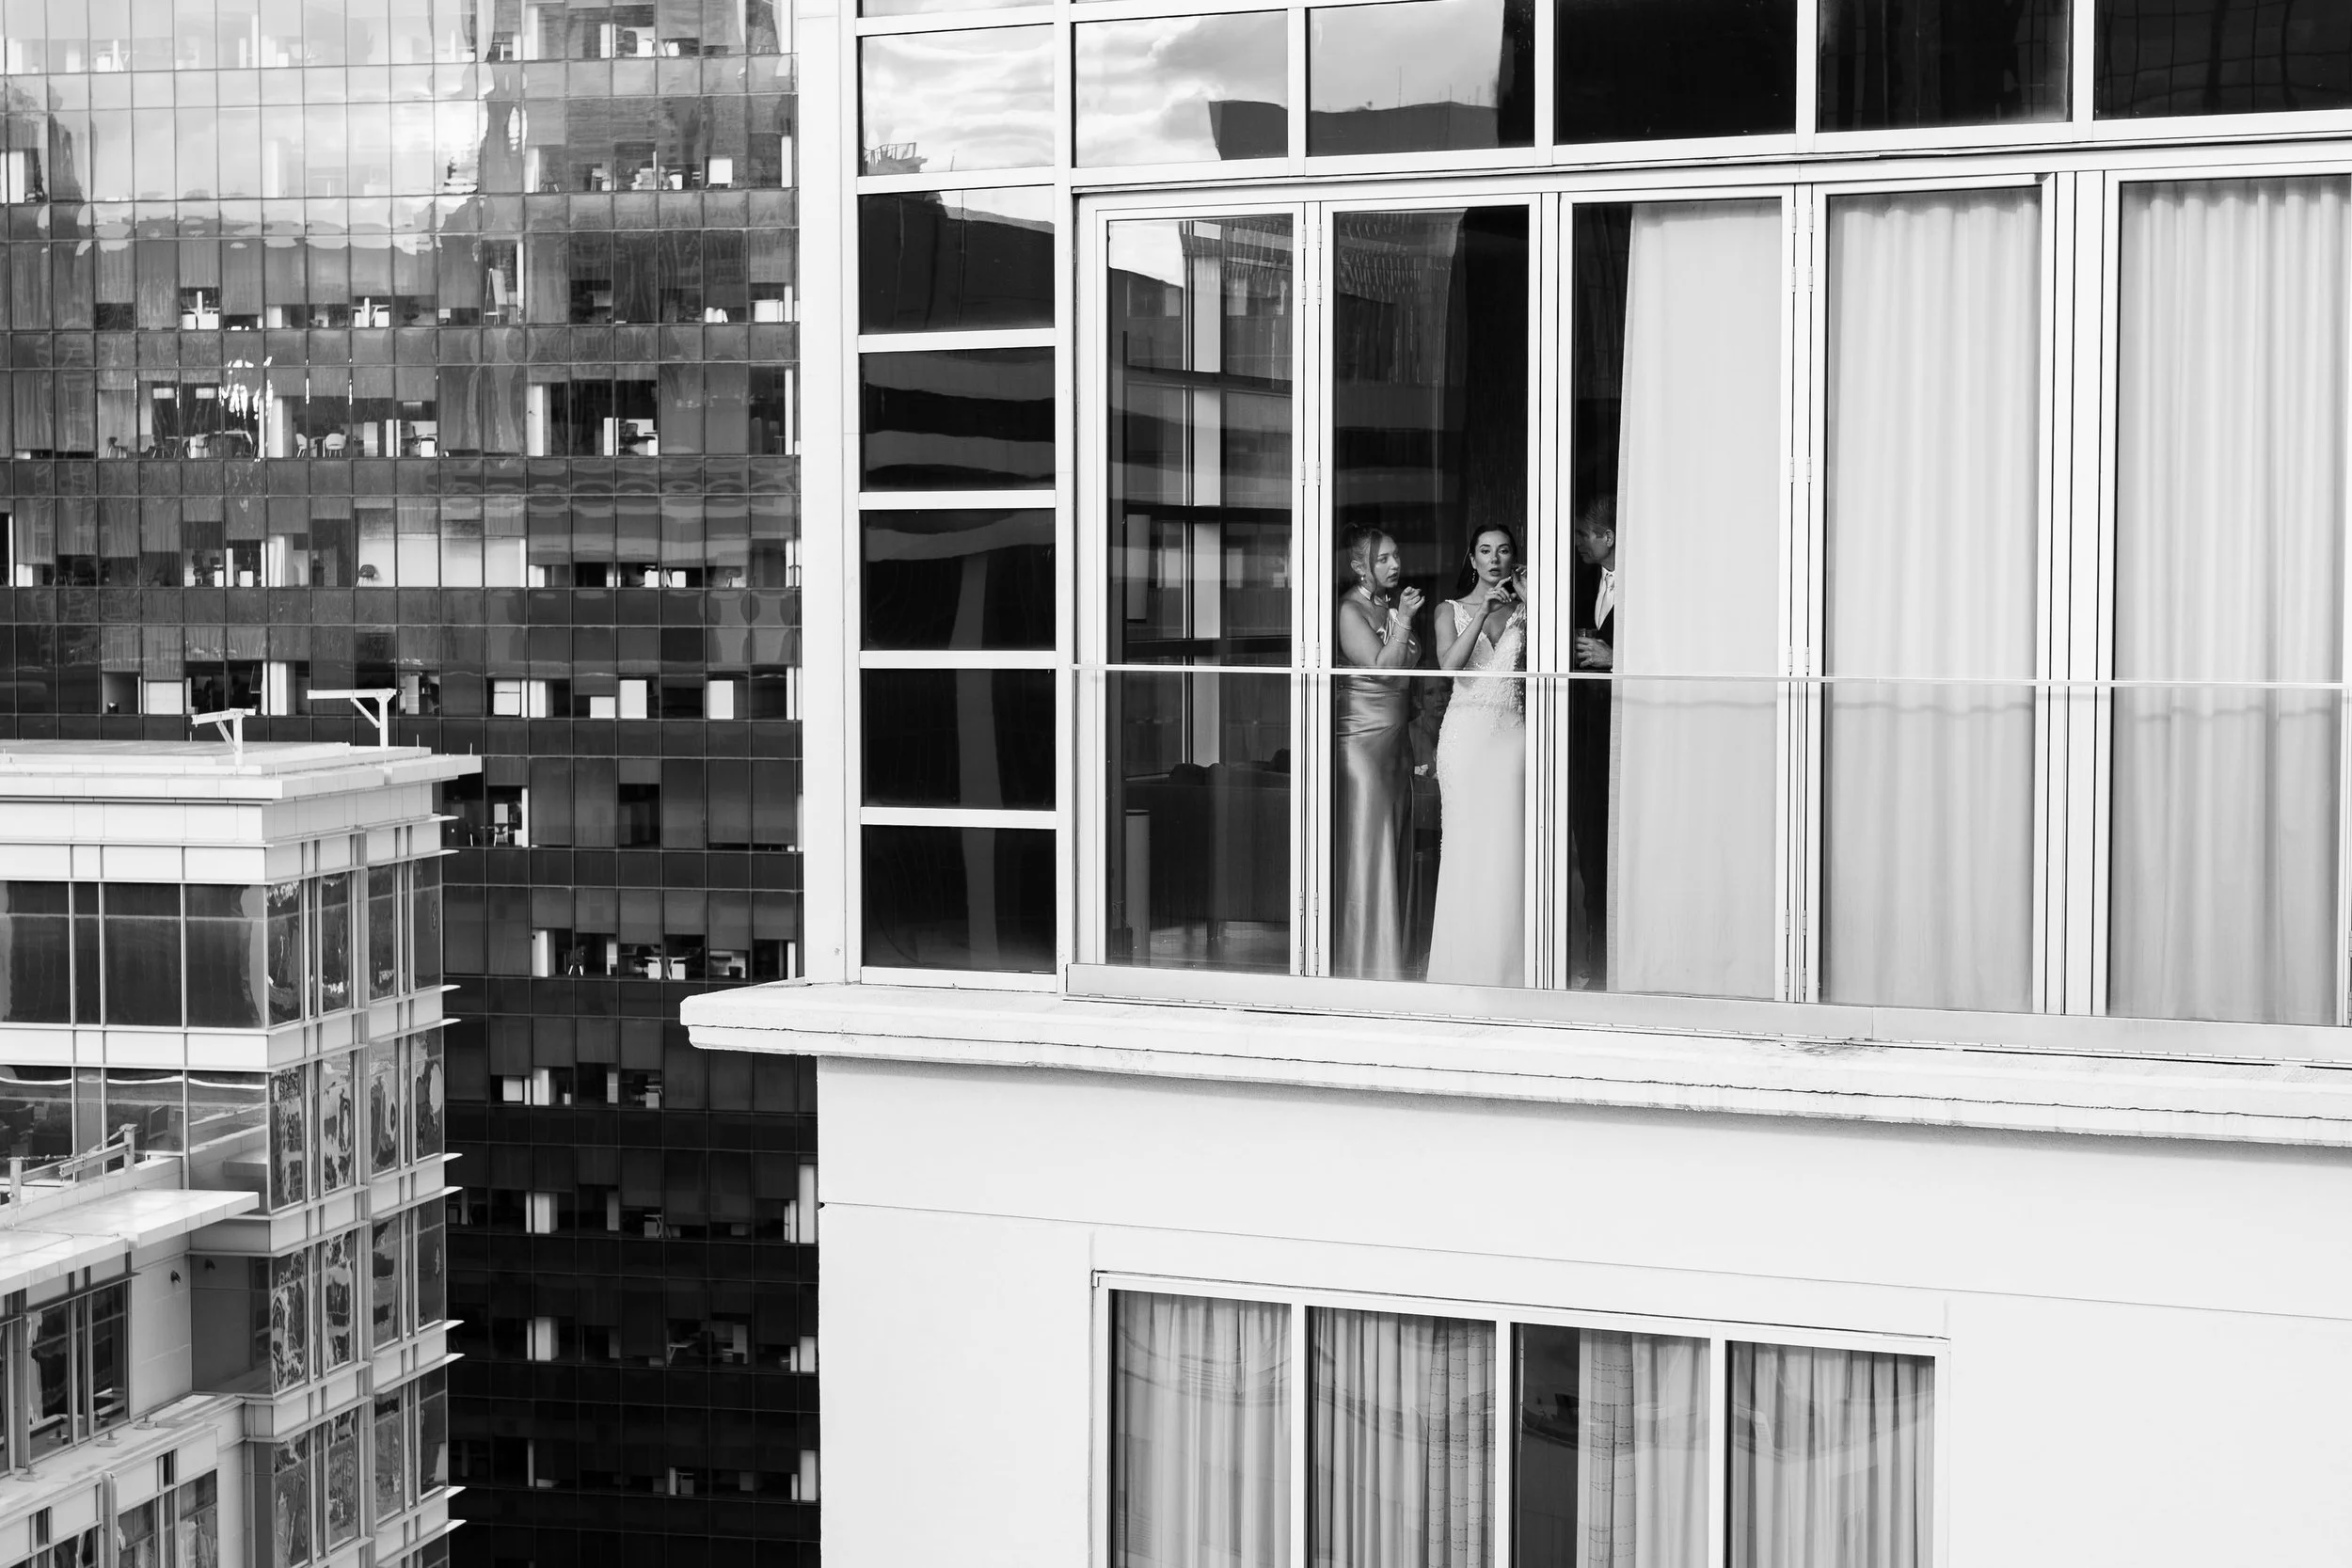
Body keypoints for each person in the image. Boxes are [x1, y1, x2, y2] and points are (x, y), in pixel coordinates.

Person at [1426, 524, 1527, 988]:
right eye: (1485, 551)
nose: (1494, 559)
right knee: (1467, 848)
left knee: (1509, 849)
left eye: (1503, 551)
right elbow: (1450, 666)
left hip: (1513, 739)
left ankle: (1512, 963)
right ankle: (1461, 965)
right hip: (1466, 737)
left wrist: (1530, 601)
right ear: (1471, 559)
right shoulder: (1449, 610)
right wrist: (1483, 608)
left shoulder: (1529, 612)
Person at [1332, 529, 1424, 979]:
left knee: (1395, 845)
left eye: (1396, 556)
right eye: (1383, 559)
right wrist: (1405, 618)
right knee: (1369, 849)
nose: (1394, 566)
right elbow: (1385, 671)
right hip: (1363, 746)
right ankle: (1363, 963)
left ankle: (1392, 956)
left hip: (1396, 743)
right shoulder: (1350, 610)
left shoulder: (1386, 606)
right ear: (1359, 566)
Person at [1569, 499, 1616, 987]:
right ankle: (1594, 966)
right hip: (1583, 736)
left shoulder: (1647, 583)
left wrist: (1613, 655)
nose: (1579, 542)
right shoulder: (1582, 581)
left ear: (1608, 537)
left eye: (1585, 534)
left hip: (1626, 738)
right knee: (1588, 849)